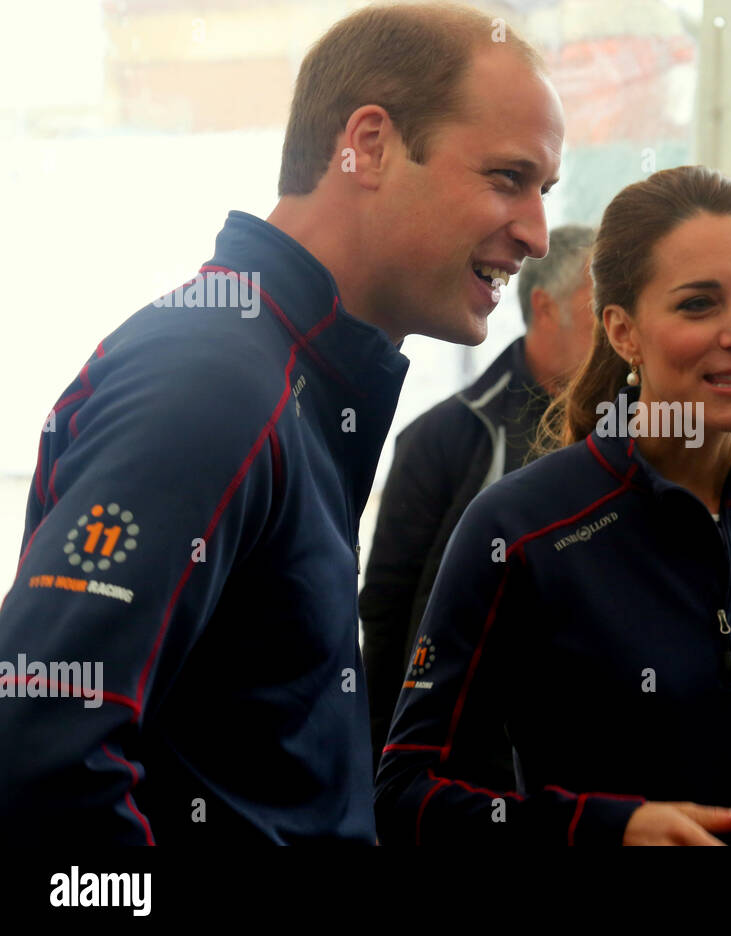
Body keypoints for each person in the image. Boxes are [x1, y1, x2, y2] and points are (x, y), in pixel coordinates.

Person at [0, 2, 563, 843]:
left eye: (543, 190)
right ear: (369, 145)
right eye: (507, 178)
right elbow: (38, 749)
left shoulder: (292, 374)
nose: (539, 234)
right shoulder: (213, 381)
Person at [374, 165, 731, 846]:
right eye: (699, 304)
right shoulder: (520, 529)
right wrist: (606, 830)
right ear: (623, 332)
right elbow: (406, 794)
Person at [360, 224, 595, 775]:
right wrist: (382, 776)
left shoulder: (645, 431)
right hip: (473, 770)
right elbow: (387, 614)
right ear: (546, 308)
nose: (620, 326)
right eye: (601, 306)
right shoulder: (445, 437)